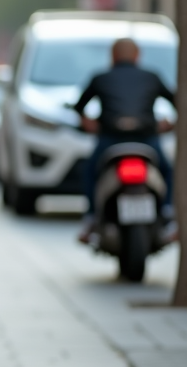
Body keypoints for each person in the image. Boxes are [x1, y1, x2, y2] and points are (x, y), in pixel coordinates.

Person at [73, 38, 176, 242]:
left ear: (112, 56)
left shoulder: (101, 77)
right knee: (167, 171)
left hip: (111, 140)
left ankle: (91, 217)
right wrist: (168, 124)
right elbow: (177, 102)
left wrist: (89, 123)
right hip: (146, 140)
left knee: (91, 171)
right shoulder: (151, 77)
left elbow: (79, 108)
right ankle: (167, 212)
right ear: (138, 56)